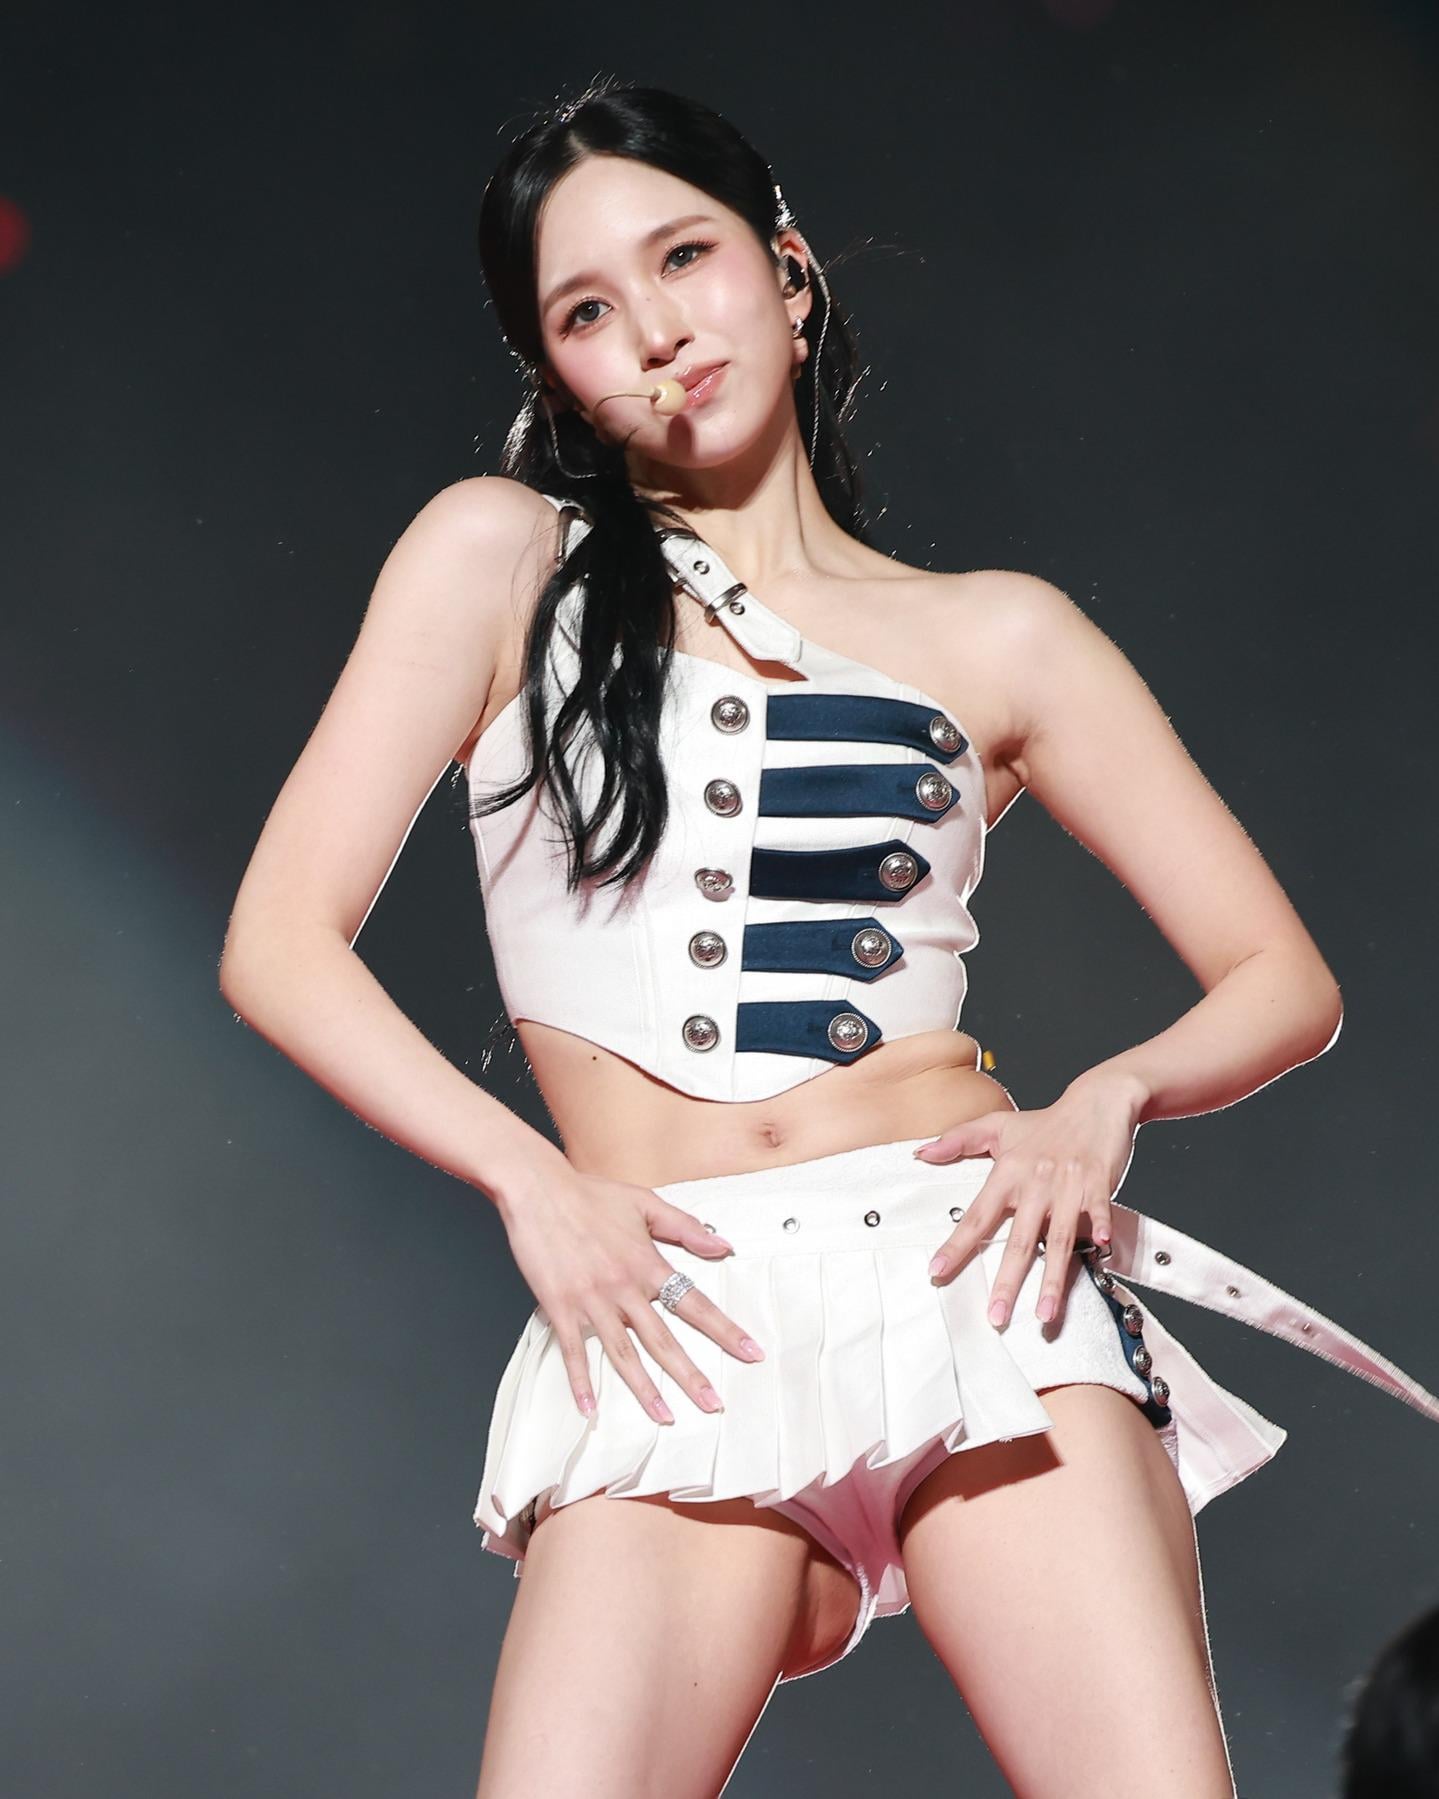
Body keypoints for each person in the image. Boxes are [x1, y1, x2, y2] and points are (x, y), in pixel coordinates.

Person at [218, 79, 1439, 1799]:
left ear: (787, 273)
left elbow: (1282, 979)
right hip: (670, 1310)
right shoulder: (498, 561)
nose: (657, 329)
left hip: (974, 1282)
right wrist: (529, 1183)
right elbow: (280, 940)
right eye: (586, 310)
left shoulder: (1000, 636)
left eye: (686, 258)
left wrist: (1105, 1102)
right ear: (555, 373)